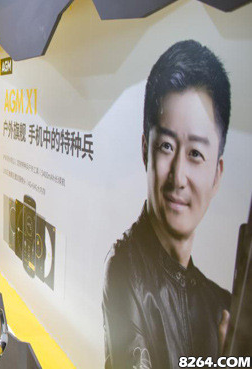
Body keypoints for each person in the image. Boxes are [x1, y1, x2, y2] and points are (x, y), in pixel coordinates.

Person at [103, 40, 232, 369]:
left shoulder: (221, 306)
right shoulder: (124, 270)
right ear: (145, 150)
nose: (178, 176)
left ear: (216, 174)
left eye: (195, 154)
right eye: (166, 146)